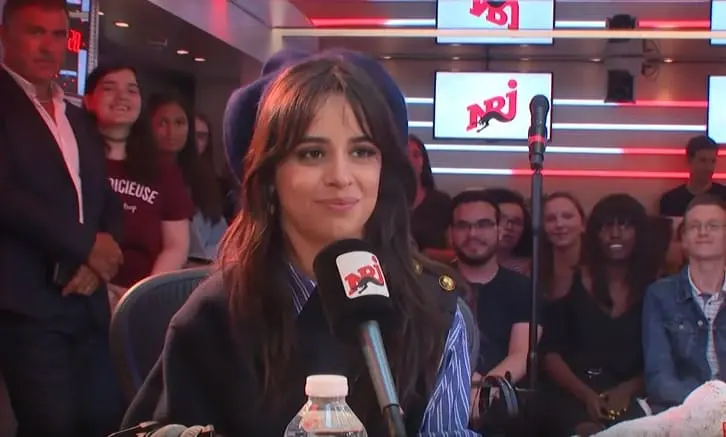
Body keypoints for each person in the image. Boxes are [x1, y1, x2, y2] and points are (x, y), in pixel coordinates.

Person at [122, 49, 479, 437]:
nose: (341, 176)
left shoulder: (436, 312)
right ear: (270, 176)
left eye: (362, 152)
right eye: (313, 153)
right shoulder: (211, 317)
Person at [0, 0, 125, 435]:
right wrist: (85, 247)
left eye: (57, 35)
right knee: (51, 425)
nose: (48, 46)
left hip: (87, 301)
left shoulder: (74, 115)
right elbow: (8, 199)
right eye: (35, 32)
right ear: (5, 35)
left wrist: (101, 253)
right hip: (28, 301)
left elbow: (102, 196)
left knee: (105, 419)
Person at [539, 194, 657, 436]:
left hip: (632, 395)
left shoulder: (657, 288)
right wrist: (585, 394)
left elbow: (663, 358)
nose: (615, 234)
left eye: (625, 226)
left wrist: (627, 390)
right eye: (606, 227)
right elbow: (550, 354)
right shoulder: (569, 281)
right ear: (594, 233)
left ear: (639, 234)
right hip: (570, 392)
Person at [83, 65, 194, 298]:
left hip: (141, 297)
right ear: (88, 100)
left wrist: (140, 295)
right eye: (109, 88)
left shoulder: (163, 170)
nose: (122, 96)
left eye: (131, 90)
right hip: (82, 291)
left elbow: (176, 245)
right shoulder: (72, 157)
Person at [643, 195, 726, 412]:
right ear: (684, 239)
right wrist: (708, 403)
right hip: (683, 411)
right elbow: (659, 378)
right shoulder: (660, 295)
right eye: (695, 226)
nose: (703, 232)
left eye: (713, 226)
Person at [659, 135, 726, 217]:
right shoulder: (670, 201)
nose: (709, 167)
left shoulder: (724, 197)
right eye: (703, 160)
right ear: (689, 160)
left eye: (713, 161)